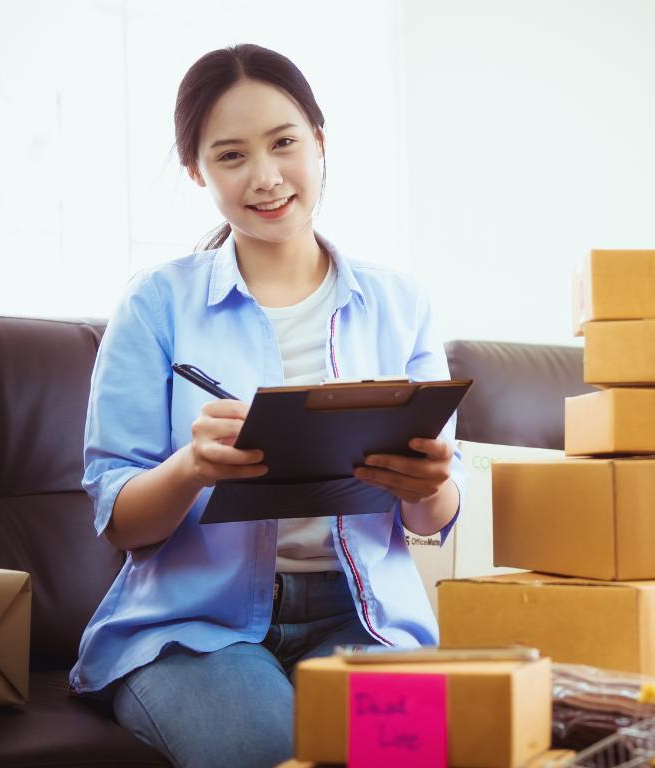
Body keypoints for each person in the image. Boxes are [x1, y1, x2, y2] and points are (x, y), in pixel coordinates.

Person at [69, 44, 464, 768]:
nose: (265, 177)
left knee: (407, 756)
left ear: (319, 141)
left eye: (284, 142)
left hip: (364, 621)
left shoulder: (400, 303)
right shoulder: (156, 304)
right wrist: (190, 467)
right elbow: (120, 518)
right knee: (267, 751)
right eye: (230, 156)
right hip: (194, 630)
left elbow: (434, 513)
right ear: (197, 172)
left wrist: (431, 486)